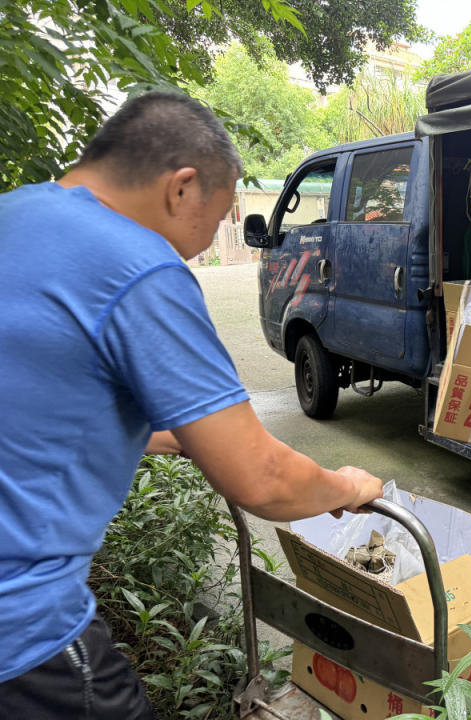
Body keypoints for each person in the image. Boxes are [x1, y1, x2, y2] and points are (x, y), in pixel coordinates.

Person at [0, 92, 383, 718]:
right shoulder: (135, 263)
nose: (200, 249)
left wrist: (169, 434)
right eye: (217, 218)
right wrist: (345, 485)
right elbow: (260, 479)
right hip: (21, 634)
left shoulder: (15, 215)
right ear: (182, 188)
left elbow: (35, 400)